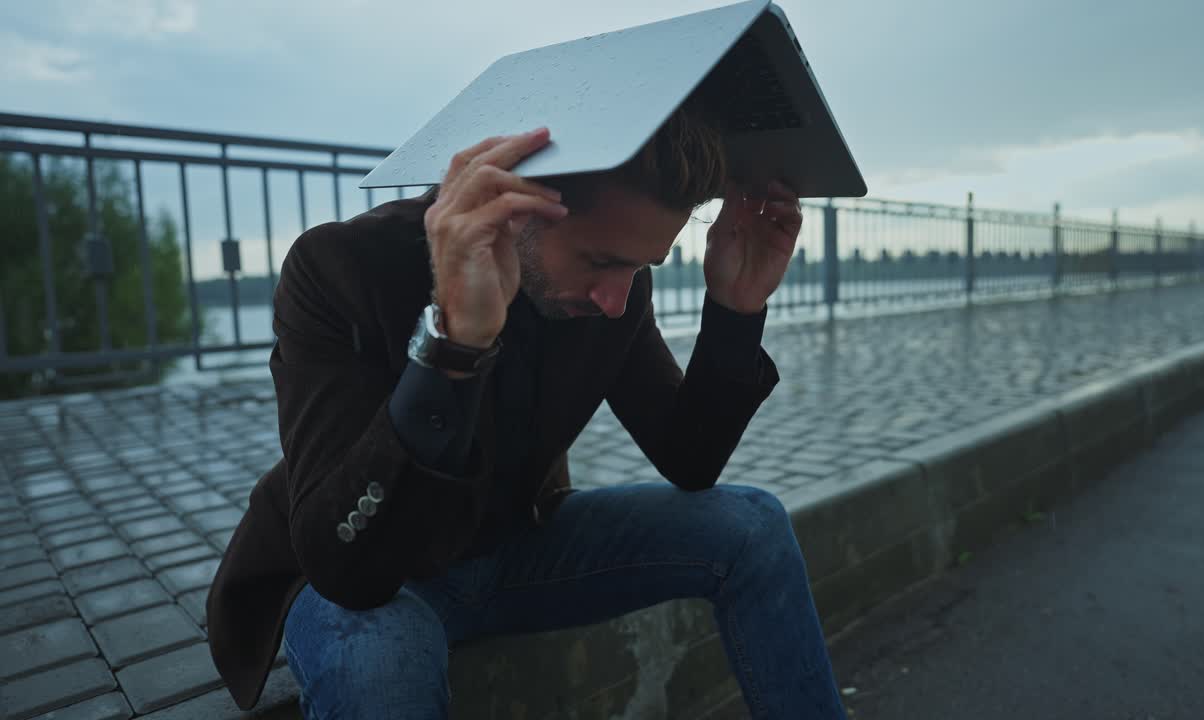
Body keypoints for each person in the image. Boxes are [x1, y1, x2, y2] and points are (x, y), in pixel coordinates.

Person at [206, 100, 846, 718]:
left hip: (519, 546)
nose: (616, 299)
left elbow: (690, 458)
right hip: (369, 569)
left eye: (642, 265)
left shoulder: (615, 291)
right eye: (600, 262)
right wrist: (454, 343)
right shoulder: (343, 266)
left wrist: (736, 311)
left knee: (753, 524)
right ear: (516, 210)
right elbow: (346, 570)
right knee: (376, 663)